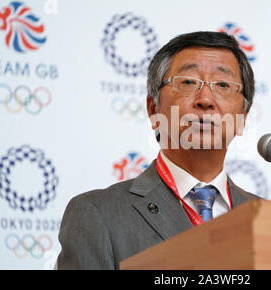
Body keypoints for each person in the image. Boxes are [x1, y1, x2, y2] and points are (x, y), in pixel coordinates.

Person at [56, 31, 258, 270]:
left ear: (242, 119)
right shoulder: (98, 215)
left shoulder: (269, 221)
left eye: (223, 85)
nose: (206, 99)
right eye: (188, 82)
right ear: (153, 110)